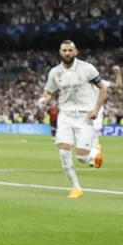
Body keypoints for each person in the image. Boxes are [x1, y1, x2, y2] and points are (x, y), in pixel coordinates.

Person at [37, 40, 107, 199]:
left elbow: (102, 88)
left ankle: (94, 154)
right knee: (63, 152)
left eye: (70, 50)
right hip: (65, 116)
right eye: (64, 50)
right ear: (60, 52)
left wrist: (96, 109)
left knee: (82, 157)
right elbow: (48, 91)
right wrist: (44, 99)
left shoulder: (87, 68)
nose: (67, 53)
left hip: (84, 115)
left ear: (75, 52)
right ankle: (76, 188)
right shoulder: (55, 72)